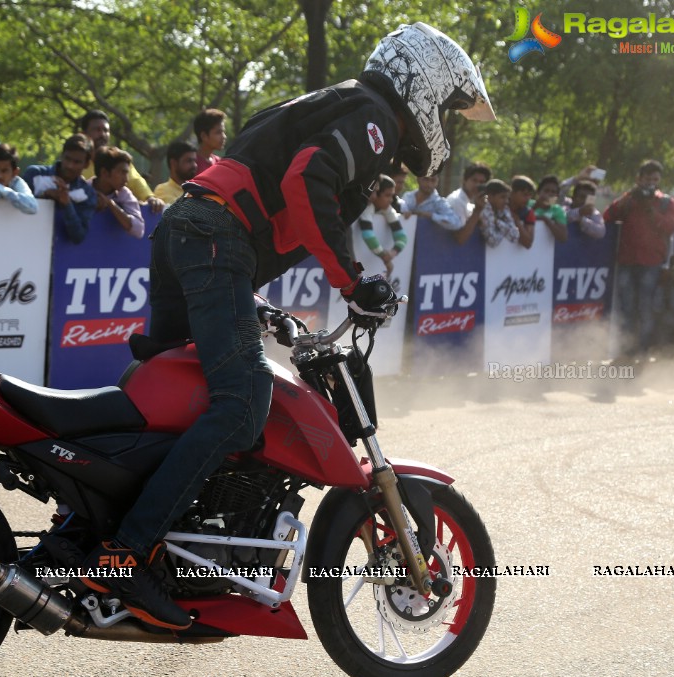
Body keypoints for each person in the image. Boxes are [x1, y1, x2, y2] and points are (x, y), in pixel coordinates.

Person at [78, 22, 494, 630]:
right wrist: (351, 282)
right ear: (425, 84)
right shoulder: (374, 117)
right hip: (215, 236)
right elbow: (305, 181)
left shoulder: (341, 101)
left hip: (193, 230)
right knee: (244, 401)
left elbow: (272, 185)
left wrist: (257, 300)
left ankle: (98, 529)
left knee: (173, 399)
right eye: (450, 109)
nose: (447, 124)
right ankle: (125, 556)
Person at [603, 159, 674, 360]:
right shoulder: (630, 198)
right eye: (647, 179)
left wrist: (650, 209)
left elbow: (670, 227)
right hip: (628, 261)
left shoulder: (666, 202)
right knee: (626, 308)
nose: (651, 183)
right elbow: (608, 216)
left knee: (646, 309)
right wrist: (629, 197)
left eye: (655, 179)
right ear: (639, 179)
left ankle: (643, 352)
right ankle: (625, 352)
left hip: (652, 263)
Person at [78, 109, 164, 212]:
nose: (103, 135)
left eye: (106, 130)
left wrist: (150, 198)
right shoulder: (76, 162)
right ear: (83, 135)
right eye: (97, 130)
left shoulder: (118, 159)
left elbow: (136, 182)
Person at [22, 133, 96, 244]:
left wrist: (67, 204)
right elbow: (17, 209)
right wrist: (44, 196)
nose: (70, 165)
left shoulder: (87, 193)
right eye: (67, 159)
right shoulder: (34, 174)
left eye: (77, 162)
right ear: (61, 155)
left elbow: (78, 236)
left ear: (86, 164)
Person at [357, 174, 410, 275]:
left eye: (392, 195)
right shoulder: (367, 208)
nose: (391, 200)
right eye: (387, 195)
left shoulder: (388, 209)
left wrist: (392, 253)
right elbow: (368, 235)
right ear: (376, 194)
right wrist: (384, 257)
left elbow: (402, 237)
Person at [90, 146, 144, 238]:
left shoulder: (124, 193)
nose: (126, 179)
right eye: (122, 172)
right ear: (104, 173)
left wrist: (110, 204)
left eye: (127, 173)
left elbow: (139, 230)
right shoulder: (82, 189)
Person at [477, 179, 521, 247]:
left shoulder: (504, 209)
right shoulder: (483, 210)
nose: (506, 201)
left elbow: (515, 236)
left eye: (507, 198)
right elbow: (493, 241)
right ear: (490, 197)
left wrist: (497, 221)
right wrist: (505, 229)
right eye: (502, 197)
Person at [152, 140, 197, 205]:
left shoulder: (196, 190)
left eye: (195, 161)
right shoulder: (163, 190)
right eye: (189, 161)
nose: (194, 165)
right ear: (173, 163)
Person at [530, 174, 567, 241]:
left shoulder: (557, 210)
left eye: (553, 192)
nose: (549, 194)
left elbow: (563, 238)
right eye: (546, 191)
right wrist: (535, 206)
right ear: (538, 192)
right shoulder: (528, 203)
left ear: (557, 196)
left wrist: (546, 220)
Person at [192, 108, 227, 175]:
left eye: (223, 132)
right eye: (218, 132)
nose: (224, 137)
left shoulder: (219, 162)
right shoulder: (192, 165)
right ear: (203, 136)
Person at [506, 175, 536, 248]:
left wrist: (517, 221)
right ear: (512, 193)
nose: (528, 198)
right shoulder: (499, 205)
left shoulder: (528, 212)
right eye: (524, 194)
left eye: (530, 195)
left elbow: (528, 243)